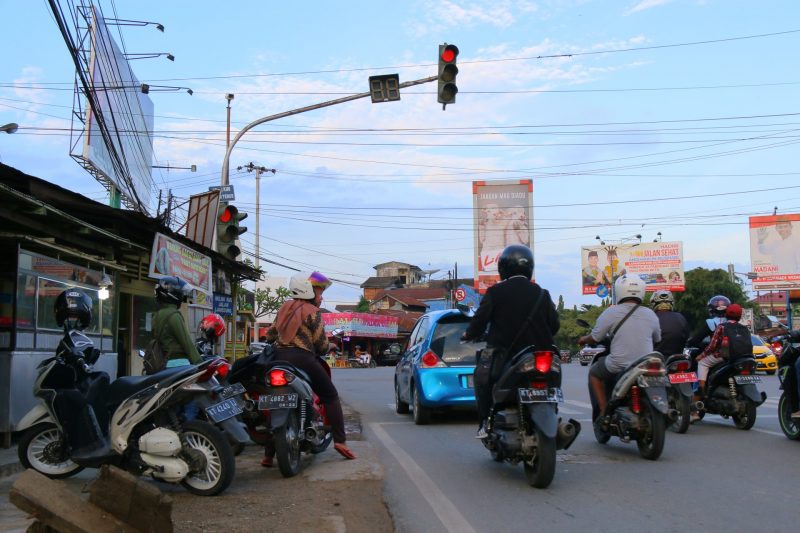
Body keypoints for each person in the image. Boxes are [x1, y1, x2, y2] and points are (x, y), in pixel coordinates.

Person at [461, 244, 560, 438]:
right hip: (540, 356)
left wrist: (468, 334)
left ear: (503, 267)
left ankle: (484, 422)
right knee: (553, 382)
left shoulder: (495, 292)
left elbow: (479, 322)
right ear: (529, 266)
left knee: (481, 378)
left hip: (505, 356)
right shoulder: (542, 294)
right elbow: (554, 326)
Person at [265, 271, 356, 462]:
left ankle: (268, 454)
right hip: (302, 359)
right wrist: (330, 345)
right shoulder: (313, 313)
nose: (321, 297)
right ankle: (340, 441)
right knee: (330, 396)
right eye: (320, 293)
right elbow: (321, 346)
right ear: (310, 291)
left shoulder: (284, 308)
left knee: (275, 401)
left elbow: (270, 335)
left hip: (277, 359)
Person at [578, 274, 661, 420]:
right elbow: (657, 339)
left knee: (594, 373)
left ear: (620, 291)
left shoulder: (611, 312)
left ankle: (603, 411)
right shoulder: (651, 314)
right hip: (645, 364)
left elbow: (595, 337)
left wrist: (583, 340)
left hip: (618, 364)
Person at [692, 303, 750, 423]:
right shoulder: (744, 328)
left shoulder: (721, 327)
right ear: (740, 316)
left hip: (722, 358)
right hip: (742, 358)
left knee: (702, 363)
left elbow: (712, 346)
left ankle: (701, 390)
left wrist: (701, 356)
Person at [152, 276, 201, 368]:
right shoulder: (174, 315)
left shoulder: (157, 315)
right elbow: (186, 342)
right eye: (180, 293)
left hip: (163, 362)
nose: (182, 296)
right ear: (173, 294)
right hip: (177, 363)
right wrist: (199, 362)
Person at [650, 290, 690, 356]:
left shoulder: (650, 317)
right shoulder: (680, 317)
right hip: (676, 358)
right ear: (672, 303)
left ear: (653, 303)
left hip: (654, 358)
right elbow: (686, 337)